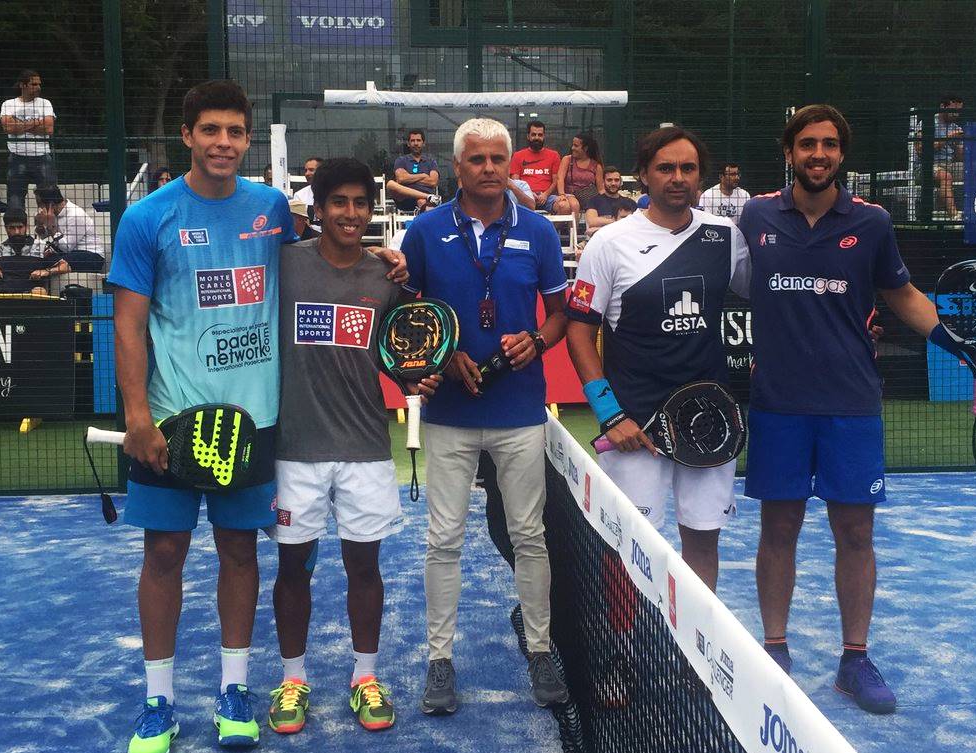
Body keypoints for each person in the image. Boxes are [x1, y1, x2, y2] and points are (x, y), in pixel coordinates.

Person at [738, 104, 976, 715]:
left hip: (852, 405)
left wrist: (960, 344)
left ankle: (854, 660)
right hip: (778, 404)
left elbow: (904, 296)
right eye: (807, 143)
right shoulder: (755, 215)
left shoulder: (874, 222)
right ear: (789, 151)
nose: (818, 154)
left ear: (841, 154)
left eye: (830, 145)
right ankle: (774, 651)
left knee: (855, 533)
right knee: (778, 529)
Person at [108, 79, 299, 753]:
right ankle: (157, 699)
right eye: (210, 130)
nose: (224, 142)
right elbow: (127, 326)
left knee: (240, 549)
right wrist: (137, 415)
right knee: (163, 552)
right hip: (168, 421)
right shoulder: (147, 218)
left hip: (255, 419)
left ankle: (234, 689)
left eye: (235, 131)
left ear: (248, 139)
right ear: (186, 136)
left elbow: (311, 276)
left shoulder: (274, 209)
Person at [400, 117, 569, 714]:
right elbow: (406, 314)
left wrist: (538, 342)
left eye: (499, 158)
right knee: (443, 538)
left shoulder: (542, 233)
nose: (491, 168)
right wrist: (442, 359)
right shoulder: (422, 231)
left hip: (521, 409)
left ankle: (542, 649)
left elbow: (558, 316)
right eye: (478, 160)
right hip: (448, 411)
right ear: (457, 167)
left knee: (529, 535)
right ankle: (439, 661)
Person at [267, 158, 438, 737]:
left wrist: (417, 377)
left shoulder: (385, 278)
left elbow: (400, 356)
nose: (349, 213)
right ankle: (293, 681)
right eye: (337, 202)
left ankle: (366, 677)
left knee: (365, 567)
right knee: (294, 568)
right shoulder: (284, 265)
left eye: (359, 203)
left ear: (372, 210)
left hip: (366, 447)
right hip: (294, 449)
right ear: (316, 209)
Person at [565, 127, 750, 589]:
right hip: (634, 427)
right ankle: (627, 653)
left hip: (709, 422)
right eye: (665, 168)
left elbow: (771, 297)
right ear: (643, 175)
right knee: (629, 546)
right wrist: (609, 414)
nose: (677, 177)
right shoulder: (610, 243)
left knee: (704, 541)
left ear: (700, 178)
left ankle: (691, 657)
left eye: (688, 168)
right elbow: (579, 333)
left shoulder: (726, 237)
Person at [0, 70, 55, 210]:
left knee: (49, 199)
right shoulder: (8, 104)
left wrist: (18, 124)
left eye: (39, 84)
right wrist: (36, 122)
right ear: (22, 85)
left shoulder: (45, 103)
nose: (38, 87)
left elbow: (49, 128)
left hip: (41, 155)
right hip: (17, 155)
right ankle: (18, 229)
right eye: (33, 84)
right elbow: (7, 128)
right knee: (15, 199)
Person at [0, 208, 66, 295]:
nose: (17, 232)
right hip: (3, 296)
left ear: (26, 227)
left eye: (20, 227)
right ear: (6, 229)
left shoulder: (41, 247)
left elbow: (65, 266)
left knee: (39, 291)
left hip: (31, 295)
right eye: (12, 228)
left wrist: (46, 271)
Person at [34, 185, 105, 272]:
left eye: (40, 204)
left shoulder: (76, 214)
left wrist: (51, 226)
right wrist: (40, 224)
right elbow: (42, 235)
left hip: (91, 256)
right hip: (69, 254)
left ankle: (50, 271)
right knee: (40, 258)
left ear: (51, 204)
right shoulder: (53, 215)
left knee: (57, 260)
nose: (39, 208)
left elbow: (66, 247)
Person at [510, 121, 561, 211]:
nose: (537, 138)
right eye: (533, 135)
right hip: (525, 196)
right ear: (528, 136)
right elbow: (515, 181)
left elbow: (556, 181)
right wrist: (529, 194)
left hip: (547, 197)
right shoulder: (518, 156)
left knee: (564, 206)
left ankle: (550, 226)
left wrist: (545, 194)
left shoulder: (554, 155)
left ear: (544, 136)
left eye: (540, 135)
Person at [386, 129, 440, 212]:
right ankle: (427, 196)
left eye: (418, 140)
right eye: (412, 141)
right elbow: (401, 178)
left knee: (421, 201)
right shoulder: (401, 160)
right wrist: (423, 175)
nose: (415, 143)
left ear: (423, 143)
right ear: (408, 143)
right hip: (405, 199)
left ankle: (426, 198)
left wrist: (409, 179)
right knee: (390, 184)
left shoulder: (431, 162)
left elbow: (433, 182)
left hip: (425, 201)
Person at [552, 132, 604, 216]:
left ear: (585, 148)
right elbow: (560, 178)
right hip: (569, 195)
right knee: (574, 205)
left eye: (576, 146)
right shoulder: (567, 160)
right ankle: (572, 229)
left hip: (587, 198)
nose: (572, 148)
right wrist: (561, 194)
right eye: (572, 145)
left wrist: (608, 199)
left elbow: (600, 189)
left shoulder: (596, 166)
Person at [584, 165, 637, 237]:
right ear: (603, 182)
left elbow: (636, 223)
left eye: (616, 180)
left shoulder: (630, 203)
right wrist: (619, 221)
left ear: (621, 182)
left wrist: (602, 225)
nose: (613, 183)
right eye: (609, 180)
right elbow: (592, 221)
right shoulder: (594, 201)